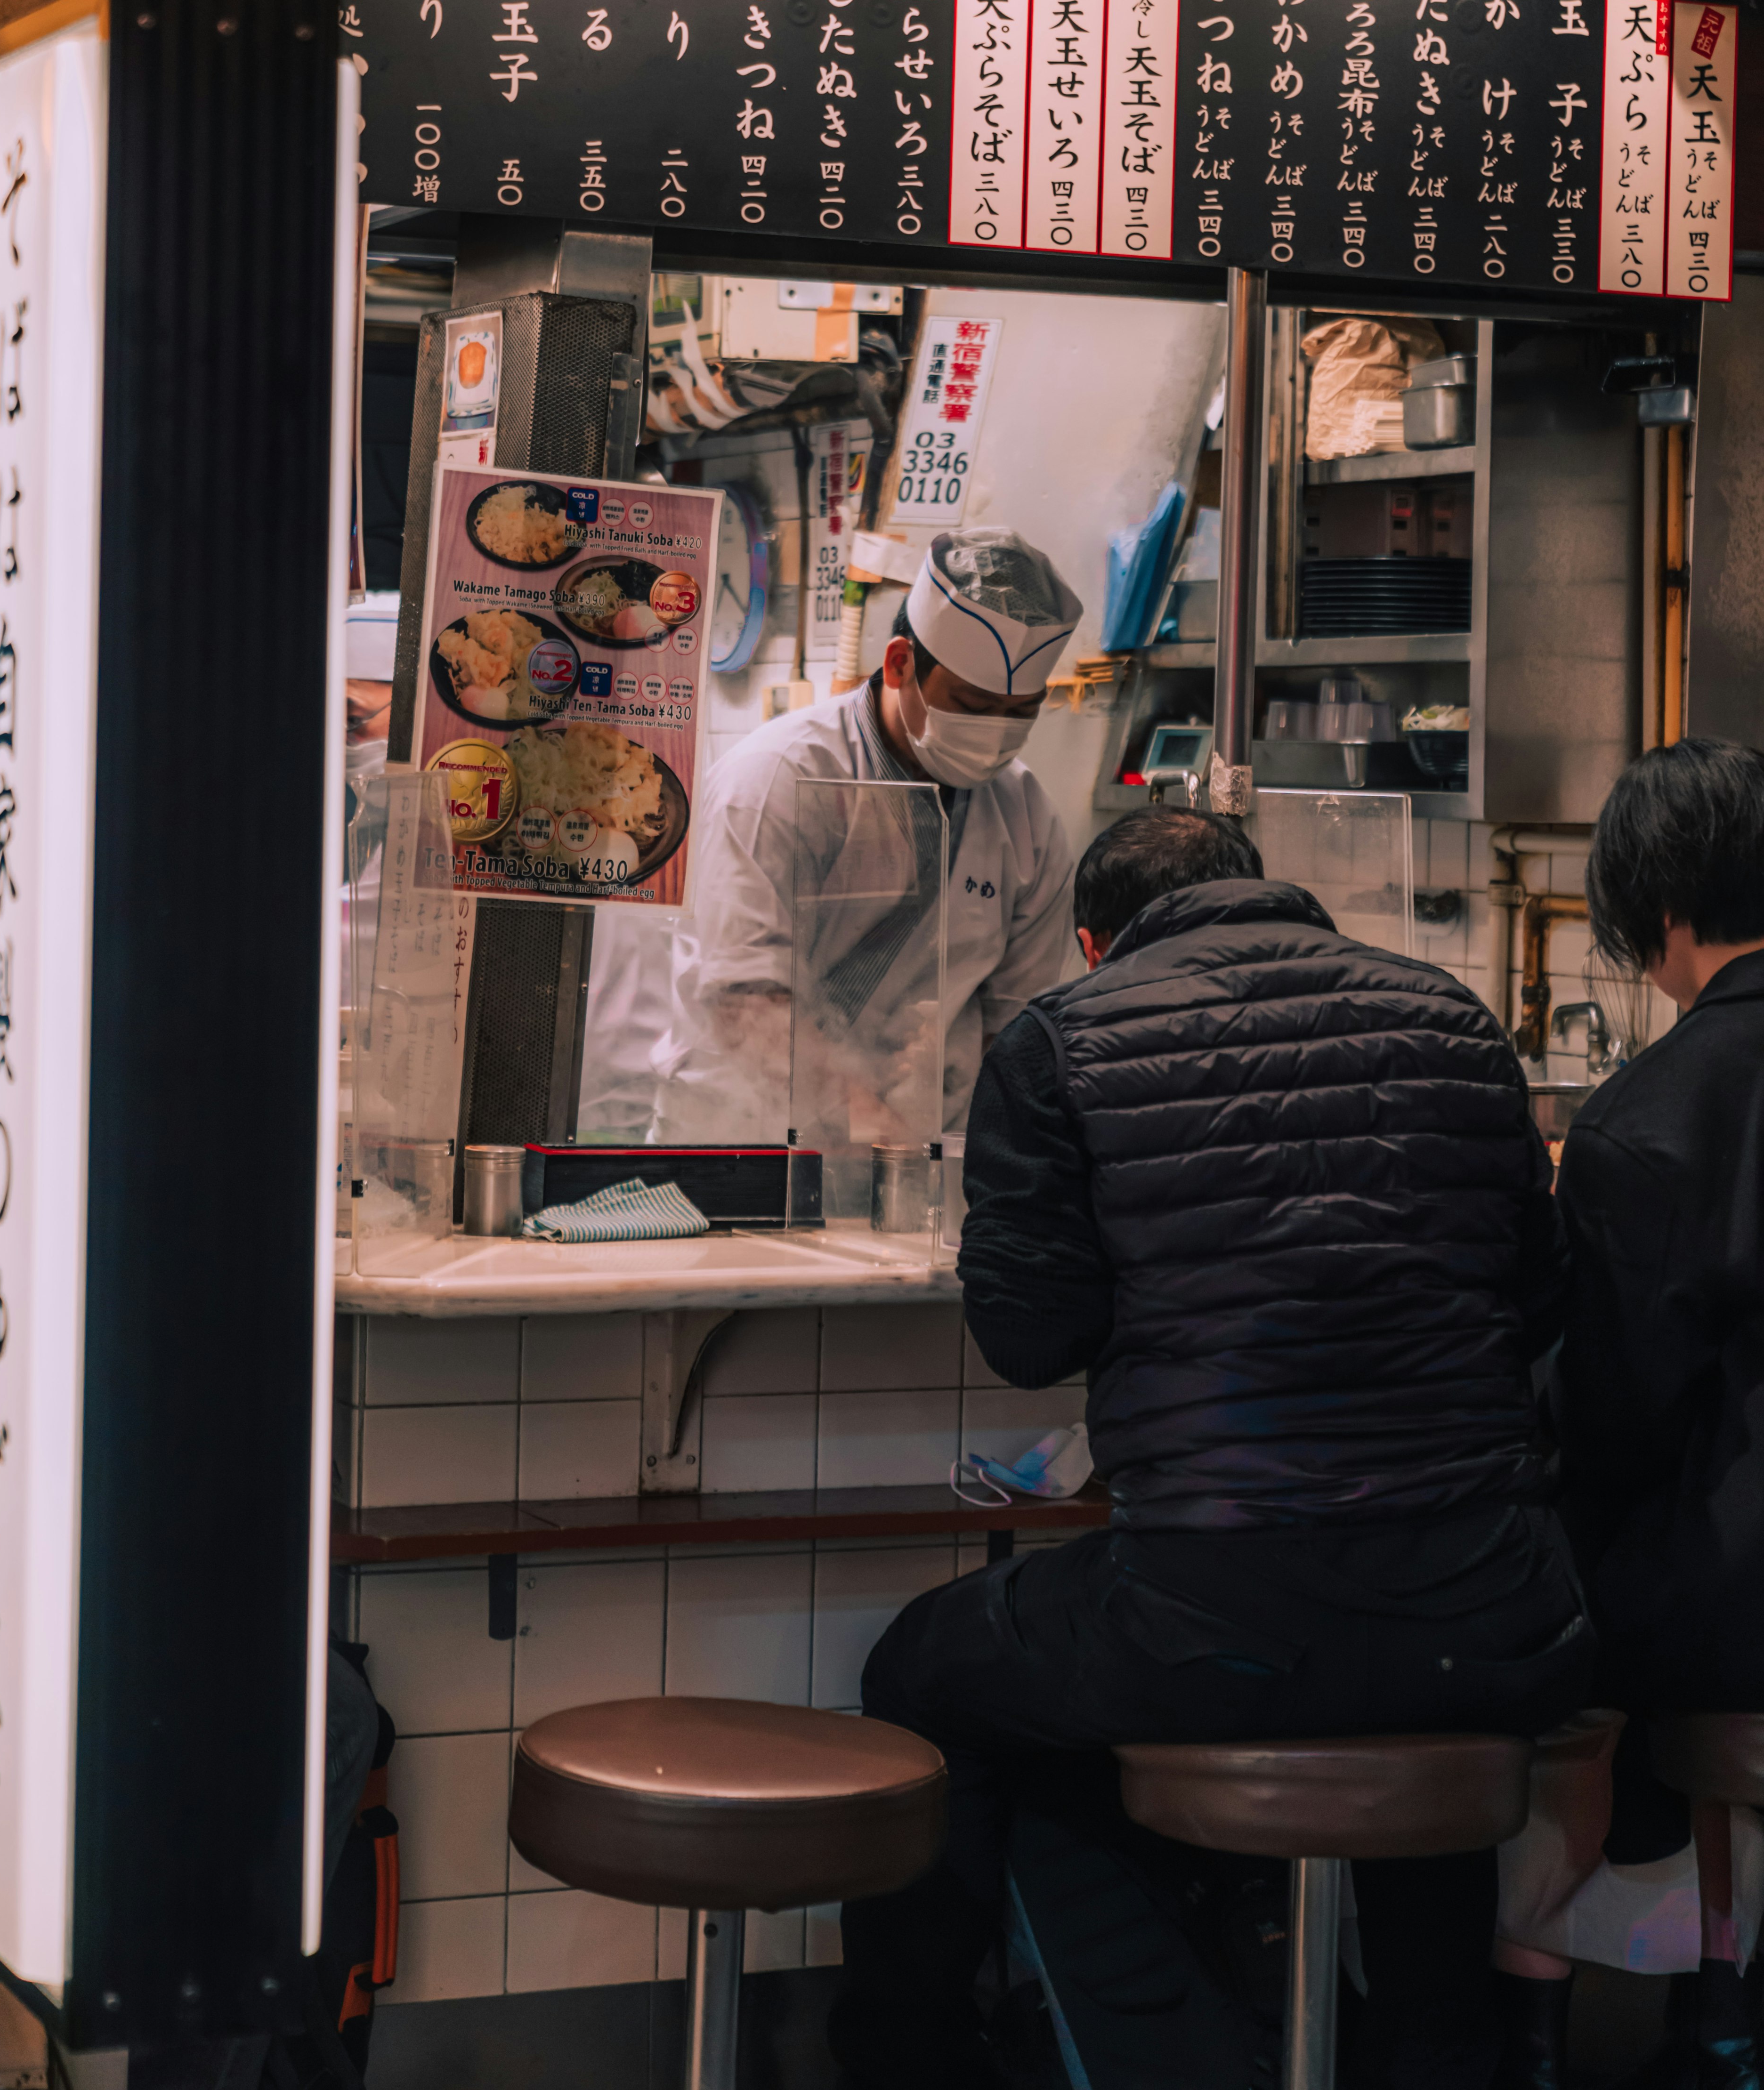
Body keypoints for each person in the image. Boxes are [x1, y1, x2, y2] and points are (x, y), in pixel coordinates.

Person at [832, 808, 1594, 2090]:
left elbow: (1027, 1334)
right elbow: (1540, 1294)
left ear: (1092, 940)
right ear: (1265, 892)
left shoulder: (1060, 1039)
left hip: (1219, 1616)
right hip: (1493, 1607)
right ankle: (1434, 2057)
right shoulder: (1453, 1016)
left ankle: (911, 2058)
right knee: (1411, 1690)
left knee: (923, 1670)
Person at [1546, 739, 1764, 2084]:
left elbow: (1613, 1416)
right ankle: (1723, 2004)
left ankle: (1529, 2019)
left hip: (1732, 1594)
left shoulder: (1646, 1118)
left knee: (1536, 1621)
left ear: (1658, 911)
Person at [655, 527, 1082, 1141]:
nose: (995, 731)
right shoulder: (780, 777)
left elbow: (1015, 1025)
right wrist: (864, 1121)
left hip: (923, 1154)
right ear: (900, 664)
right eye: (970, 704)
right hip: (742, 1135)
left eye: (1021, 713)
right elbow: (744, 995)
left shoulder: (1026, 817)